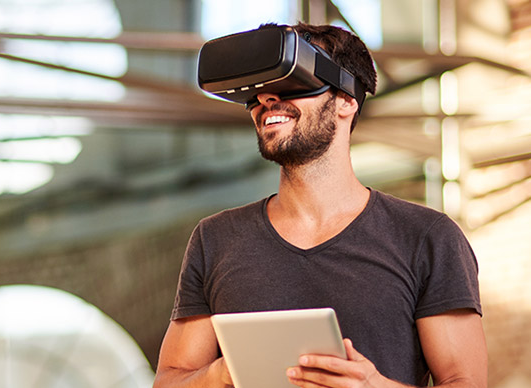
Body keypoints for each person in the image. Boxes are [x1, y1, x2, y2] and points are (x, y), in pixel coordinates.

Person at [153, 22, 487, 388]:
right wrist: (223, 372)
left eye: (291, 83)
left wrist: (372, 385)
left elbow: (465, 382)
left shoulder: (426, 238)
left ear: (346, 100)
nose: (267, 100)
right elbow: (170, 381)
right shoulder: (215, 239)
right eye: (259, 91)